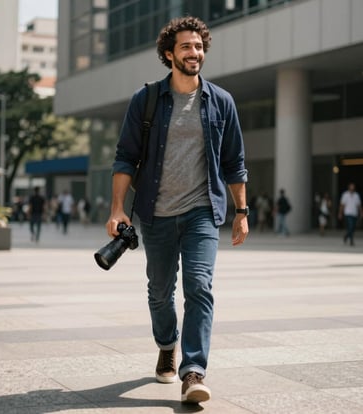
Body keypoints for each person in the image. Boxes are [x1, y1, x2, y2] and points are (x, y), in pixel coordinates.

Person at [105, 16, 248, 404]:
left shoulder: (221, 101)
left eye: (199, 46)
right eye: (186, 47)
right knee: (159, 292)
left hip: (202, 211)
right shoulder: (147, 100)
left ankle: (193, 371)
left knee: (199, 286)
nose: (194, 53)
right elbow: (124, 158)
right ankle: (167, 343)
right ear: (169, 54)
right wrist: (118, 209)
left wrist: (242, 210)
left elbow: (234, 161)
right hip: (156, 212)